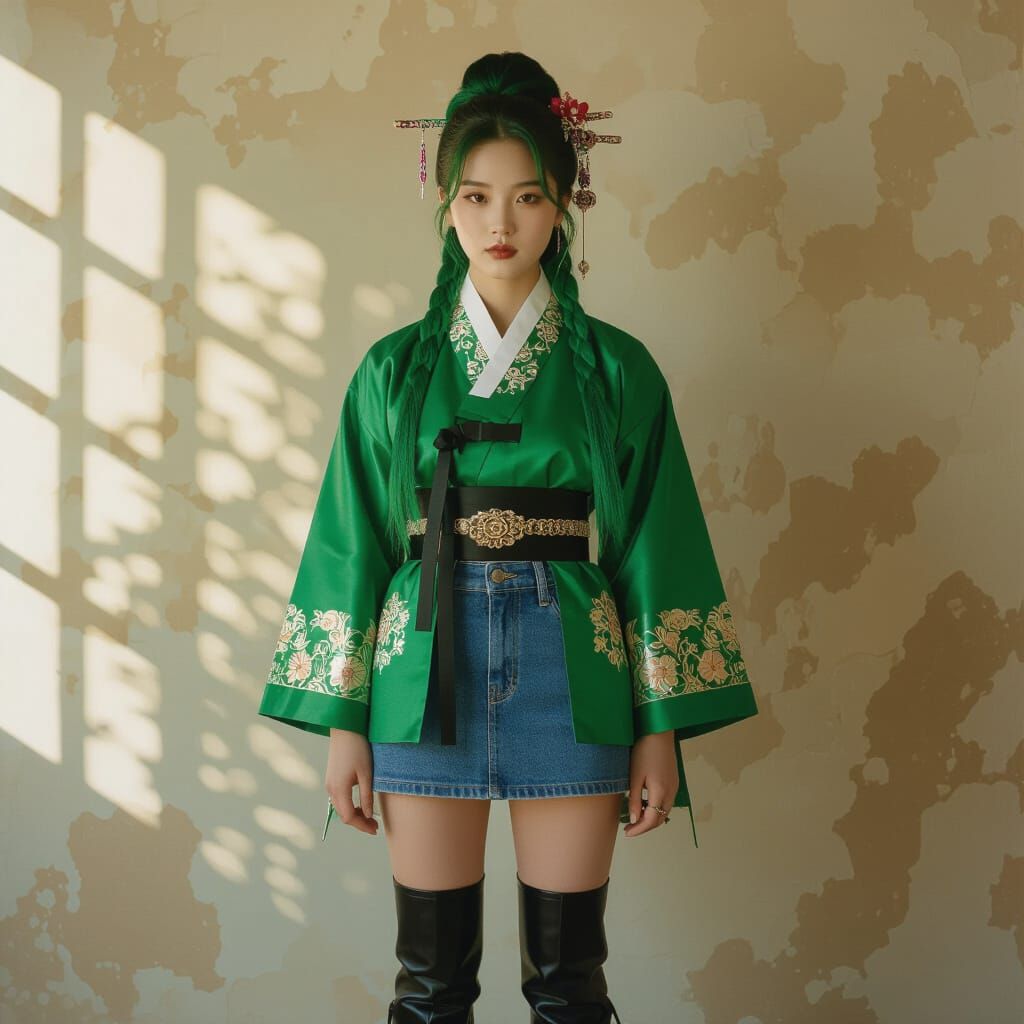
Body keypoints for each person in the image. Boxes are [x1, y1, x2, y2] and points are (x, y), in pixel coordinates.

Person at [258, 51, 760, 1024]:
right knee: (429, 986)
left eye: (527, 196)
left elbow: (656, 547)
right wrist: (343, 720)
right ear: (441, 196)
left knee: (569, 988)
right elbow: (349, 542)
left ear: (565, 200)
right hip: (422, 670)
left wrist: (659, 729)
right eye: (477, 195)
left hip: (572, 668)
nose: (500, 223)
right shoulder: (393, 371)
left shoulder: (617, 371)